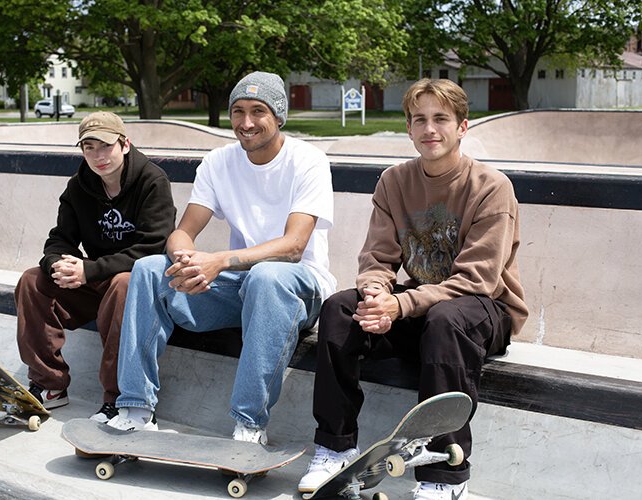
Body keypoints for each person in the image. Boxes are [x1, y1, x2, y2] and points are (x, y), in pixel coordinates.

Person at [298, 79, 529, 500]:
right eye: (419, 119)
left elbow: (477, 279)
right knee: (338, 310)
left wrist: (400, 304)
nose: (430, 129)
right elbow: (376, 259)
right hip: (418, 308)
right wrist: (374, 298)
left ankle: (445, 472)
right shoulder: (394, 181)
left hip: (482, 311)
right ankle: (335, 449)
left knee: (445, 319)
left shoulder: (491, 186)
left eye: (441, 118)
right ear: (408, 128)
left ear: (462, 126)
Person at [108, 71, 335, 444]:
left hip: (297, 285)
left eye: (258, 111)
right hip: (239, 285)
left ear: (278, 116)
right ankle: (135, 408)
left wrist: (221, 261)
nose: (246, 123)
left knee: (267, 276)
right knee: (148, 269)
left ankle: (249, 425)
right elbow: (184, 231)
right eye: (238, 111)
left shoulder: (308, 161)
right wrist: (187, 261)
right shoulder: (218, 162)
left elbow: (294, 245)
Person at [15, 111, 176, 423]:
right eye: (89, 148)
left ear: (125, 144)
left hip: (142, 285)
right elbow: (59, 239)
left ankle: (118, 399)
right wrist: (58, 264)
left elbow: (152, 247)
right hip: (97, 282)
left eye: (105, 146)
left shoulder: (152, 181)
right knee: (32, 281)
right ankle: (50, 385)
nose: (98, 156)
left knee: (124, 283)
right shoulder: (79, 187)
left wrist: (90, 270)